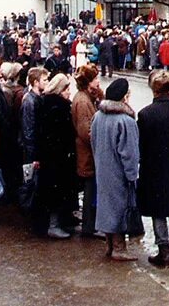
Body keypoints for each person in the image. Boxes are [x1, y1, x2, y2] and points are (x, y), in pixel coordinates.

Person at [137, 71, 169, 267]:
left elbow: (142, 144)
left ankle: (163, 250)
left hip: (154, 166)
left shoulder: (145, 114)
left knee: (158, 209)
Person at [90, 77, 140, 261]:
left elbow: (92, 141)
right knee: (120, 207)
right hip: (119, 172)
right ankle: (119, 247)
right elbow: (129, 153)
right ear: (124, 97)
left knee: (106, 205)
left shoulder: (98, 116)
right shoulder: (126, 121)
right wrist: (132, 175)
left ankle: (109, 244)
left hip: (103, 168)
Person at [34, 73, 77, 239]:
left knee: (51, 191)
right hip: (58, 157)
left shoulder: (44, 103)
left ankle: (54, 223)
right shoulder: (60, 107)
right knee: (56, 192)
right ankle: (54, 225)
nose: (69, 92)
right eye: (67, 89)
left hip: (50, 156)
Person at [71, 64, 103, 238]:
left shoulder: (86, 97)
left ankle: (90, 225)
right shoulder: (83, 101)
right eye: (96, 78)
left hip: (88, 153)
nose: (99, 81)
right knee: (90, 191)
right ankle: (90, 227)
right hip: (87, 154)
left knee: (91, 190)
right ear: (89, 82)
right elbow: (86, 132)